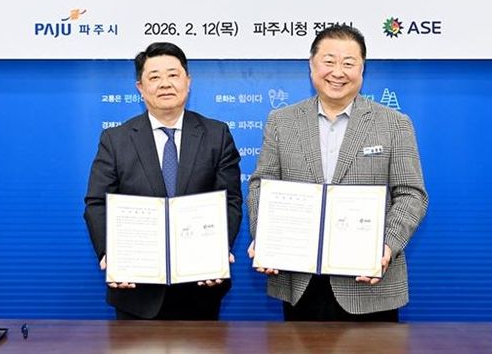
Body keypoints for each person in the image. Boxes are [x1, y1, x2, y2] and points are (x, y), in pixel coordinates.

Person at [247, 24, 428, 321]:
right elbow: (261, 184)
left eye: (348, 63)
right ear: (311, 65)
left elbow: (411, 194)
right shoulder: (282, 121)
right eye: (329, 61)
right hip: (299, 280)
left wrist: (386, 246)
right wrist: (265, 236)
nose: (338, 72)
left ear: (362, 69)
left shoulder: (394, 124)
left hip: (369, 284)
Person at [84, 42, 242, 320]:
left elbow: (230, 201)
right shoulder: (116, 140)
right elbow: (97, 203)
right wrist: (112, 253)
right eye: (154, 77)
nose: (165, 84)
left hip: (201, 287)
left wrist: (217, 252)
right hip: (135, 290)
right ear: (140, 87)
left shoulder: (216, 134)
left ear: (188, 81)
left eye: (173, 75)